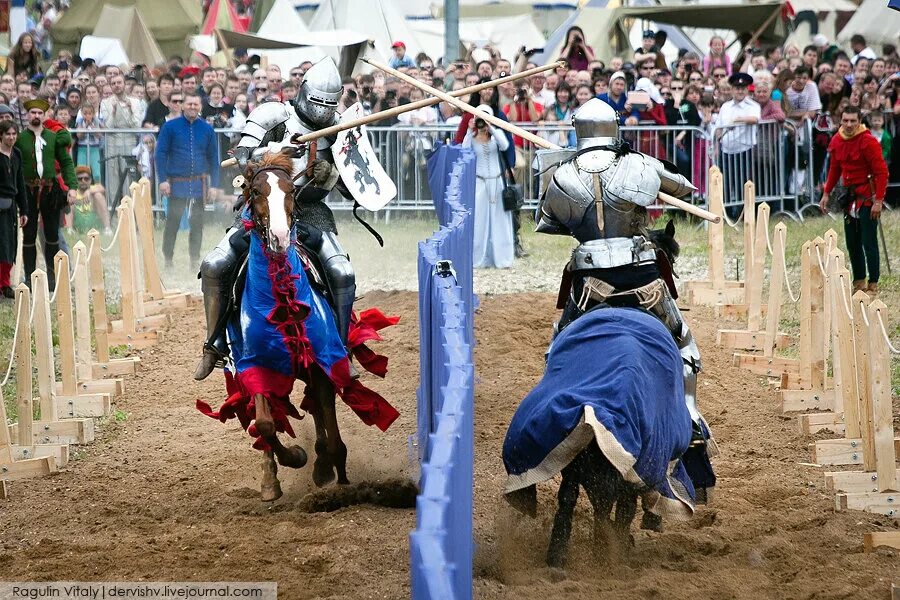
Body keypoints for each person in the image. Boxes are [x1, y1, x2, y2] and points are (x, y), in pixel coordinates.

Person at [532, 98, 714, 503]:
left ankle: (556, 415)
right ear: (615, 127)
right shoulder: (639, 164)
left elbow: (547, 221)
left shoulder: (562, 174)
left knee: (559, 345)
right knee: (683, 343)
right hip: (641, 277)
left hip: (589, 281)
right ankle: (691, 417)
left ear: (578, 129)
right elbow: (685, 187)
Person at [194, 57, 369, 382]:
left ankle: (341, 349)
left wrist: (330, 175)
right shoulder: (274, 115)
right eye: (317, 100)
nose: (321, 108)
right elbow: (241, 157)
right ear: (304, 92)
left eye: (328, 103)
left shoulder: (342, 130)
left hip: (311, 213)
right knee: (216, 264)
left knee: (342, 272)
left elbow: (355, 188)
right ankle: (214, 344)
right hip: (261, 210)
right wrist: (278, 149)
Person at [819, 106, 888, 298]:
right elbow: (834, 169)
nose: (849, 125)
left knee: (868, 241)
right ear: (841, 121)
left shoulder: (868, 141)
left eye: (852, 121)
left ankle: (873, 282)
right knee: (852, 242)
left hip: (867, 197)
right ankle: (859, 281)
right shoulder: (837, 140)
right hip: (849, 198)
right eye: (845, 120)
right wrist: (826, 193)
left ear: (859, 121)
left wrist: (878, 200)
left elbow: (881, 172)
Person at [15, 98, 77, 290]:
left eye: (39, 113)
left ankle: (52, 278)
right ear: (27, 115)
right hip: (28, 192)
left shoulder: (53, 137)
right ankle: (30, 277)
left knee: (51, 235)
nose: (36, 116)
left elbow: (66, 162)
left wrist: (72, 187)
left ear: (44, 116)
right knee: (29, 234)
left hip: (50, 191)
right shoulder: (19, 139)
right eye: (32, 113)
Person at [155, 93, 219, 270]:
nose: (192, 107)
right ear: (183, 106)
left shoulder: (207, 129)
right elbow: (160, 154)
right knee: (172, 223)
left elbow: (214, 158)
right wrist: (162, 180)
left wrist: (214, 186)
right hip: (177, 185)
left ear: (200, 107)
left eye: (195, 104)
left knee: (197, 225)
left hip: (199, 186)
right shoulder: (170, 127)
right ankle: (168, 259)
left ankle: (194, 259)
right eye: (189, 104)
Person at [462, 105, 514, 268]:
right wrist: (470, 131)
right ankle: (478, 258)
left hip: (497, 183)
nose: (482, 123)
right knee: (479, 221)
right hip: (480, 183)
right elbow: (464, 148)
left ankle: (502, 258)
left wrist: (492, 127)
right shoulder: (473, 138)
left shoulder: (495, 137)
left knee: (500, 221)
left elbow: (505, 145)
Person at [716, 72, 760, 216]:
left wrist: (738, 120)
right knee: (727, 183)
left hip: (744, 149)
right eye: (737, 88)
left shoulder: (752, 105)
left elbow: (754, 119)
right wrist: (717, 144)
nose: (740, 91)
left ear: (747, 90)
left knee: (744, 183)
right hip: (727, 149)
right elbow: (719, 128)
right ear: (732, 89)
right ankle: (727, 213)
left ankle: (743, 214)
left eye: (743, 88)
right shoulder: (725, 107)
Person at [100, 74, 143, 202]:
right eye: (113, 83)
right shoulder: (105, 102)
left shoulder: (135, 102)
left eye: (119, 82)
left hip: (129, 140)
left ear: (124, 84)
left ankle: (128, 210)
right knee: (112, 177)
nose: (116, 85)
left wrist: (129, 110)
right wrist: (113, 111)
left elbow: (136, 125)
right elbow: (108, 127)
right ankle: (112, 213)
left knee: (128, 176)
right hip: (112, 141)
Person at [0, 120, 28, 298]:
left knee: (10, 246)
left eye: (13, 134)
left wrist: (24, 209)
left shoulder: (16, 154)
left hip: (11, 205)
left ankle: (4, 284)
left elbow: (20, 183)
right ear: (1, 135)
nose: (11, 137)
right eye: (7, 134)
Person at [70, 165, 110, 234]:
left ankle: (107, 229)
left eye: (86, 178)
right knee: (70, 197)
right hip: (79, 228)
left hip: (96, 227)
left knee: (98, 195)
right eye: (80, 179)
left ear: (90, 180)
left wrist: (89, 191)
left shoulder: (94, 188)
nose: (83, 181)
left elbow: (102, 188)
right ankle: (69, 230)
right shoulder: (73, 192)